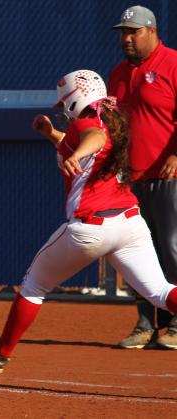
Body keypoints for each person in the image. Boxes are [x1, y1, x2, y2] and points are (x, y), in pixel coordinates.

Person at [0, 69, 177, 373]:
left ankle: (1, 352)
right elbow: (93, 136)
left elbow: (94, 137)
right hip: (130, 223)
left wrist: (76, 153)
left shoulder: (88, 127)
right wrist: (53, 135)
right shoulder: (113, 120)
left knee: (34, 285)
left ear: (73, 100)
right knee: (160, 292)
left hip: (91, 228)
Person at [108, 5, 177, 350]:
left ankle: (176, 323)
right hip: (129, 179)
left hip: (168, 175)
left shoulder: (172, 64)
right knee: (133, 252)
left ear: (152, 31)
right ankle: (145, 324)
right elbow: (113, 128)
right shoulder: (118, 74)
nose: (127, 38)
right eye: (123, 32)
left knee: (172, 247)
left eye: (133, 32)